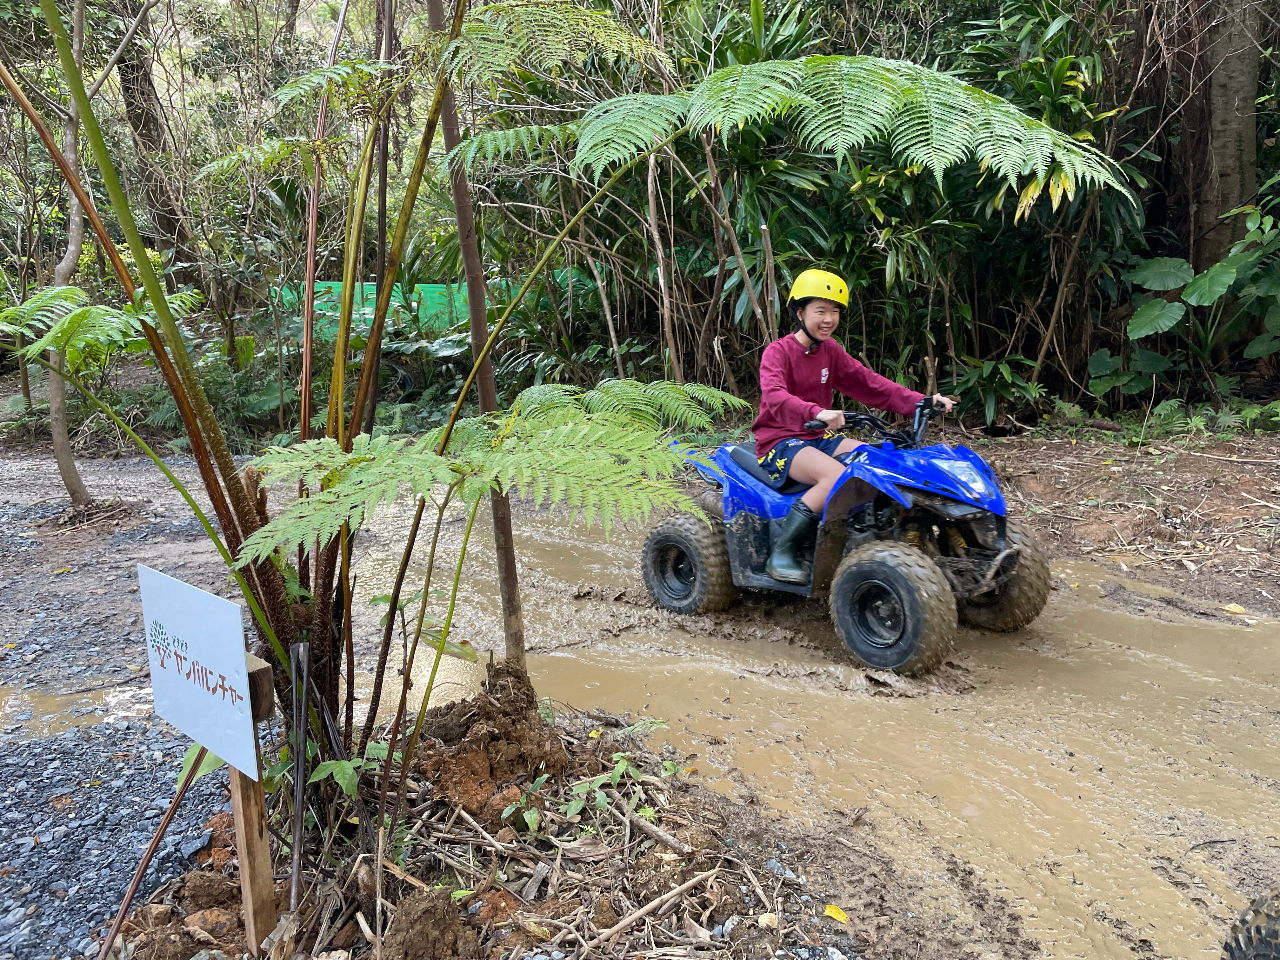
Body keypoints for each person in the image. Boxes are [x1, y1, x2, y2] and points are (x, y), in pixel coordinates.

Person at [752, 268, 955, 583]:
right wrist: (816, 411)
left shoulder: (829, 350)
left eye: (834, 311)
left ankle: (866, 538)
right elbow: (775, 397)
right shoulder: (778, 352)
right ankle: (782, 550)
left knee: (877, 465)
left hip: (819, 437)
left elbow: (868, 383)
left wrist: (920, 401)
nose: (828, 319)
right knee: (836, 477)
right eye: (820, 310)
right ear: (800, 311)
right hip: (781, 441)